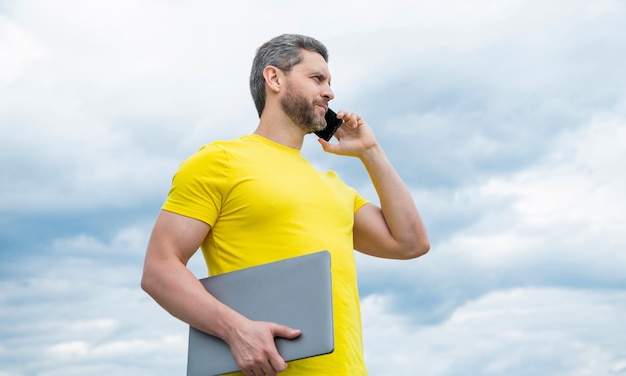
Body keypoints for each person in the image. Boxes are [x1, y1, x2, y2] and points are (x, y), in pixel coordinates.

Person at [141, 33, 429, 376]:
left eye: (330, 82)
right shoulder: (221, 161)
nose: (330, 92)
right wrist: (235, 330)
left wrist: (371, 152)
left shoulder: (334, 187)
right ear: (275, 78)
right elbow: (159, 270)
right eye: (316, 79)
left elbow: (410, 243)